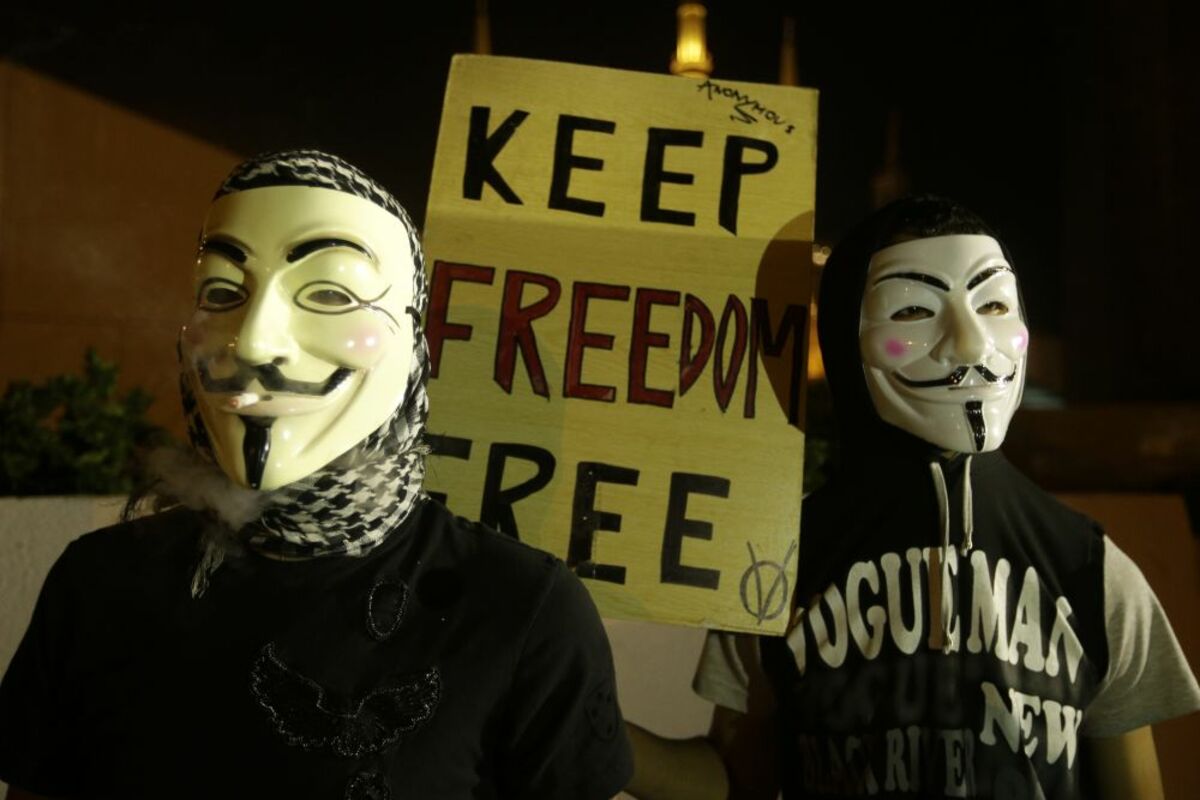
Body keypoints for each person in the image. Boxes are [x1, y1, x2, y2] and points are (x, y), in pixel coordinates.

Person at [0, 150, 633, 799]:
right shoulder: (100, 584)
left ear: (413, 346)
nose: (254, 341)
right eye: (222, 292)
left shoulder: (519, 610)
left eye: (330, 293)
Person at [626, 195, 1200, 799]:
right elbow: (738, 781)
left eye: (993, 303)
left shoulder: (1092, 572)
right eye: (913, 311)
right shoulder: (778, 567)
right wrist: (588, 722)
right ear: (847, 339)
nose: (971, 345)